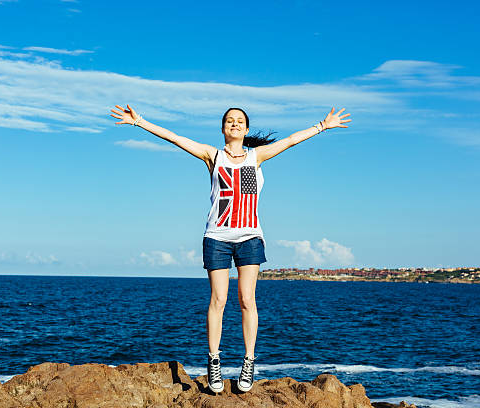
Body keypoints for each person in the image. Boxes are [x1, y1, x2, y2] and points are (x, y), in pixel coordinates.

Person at [109, 104, 351, 393]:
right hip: (217, 237)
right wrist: (139, 122)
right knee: (218, 300)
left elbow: (290, 140)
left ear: (246, 130)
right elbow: (174, 138)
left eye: (239, 121)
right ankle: (214, 362)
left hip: (250, 238)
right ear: (223, 128)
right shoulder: (213, 156)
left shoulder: (256, 156)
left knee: (247, 300)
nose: (234, 124)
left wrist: (322, 126)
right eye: (229, 120)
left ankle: (248, 361)